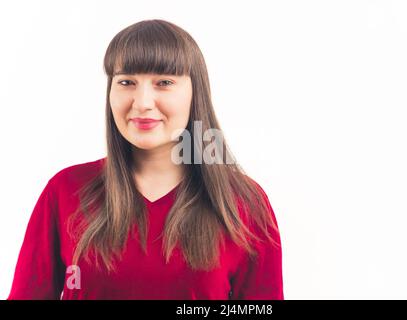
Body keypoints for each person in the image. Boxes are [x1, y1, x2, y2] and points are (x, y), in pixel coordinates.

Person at [8, 19, 284, 300]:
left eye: (164, 83)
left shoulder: (245, 205)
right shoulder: (65, 190)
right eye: (127, 82)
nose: (142, 102)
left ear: (195, 93)